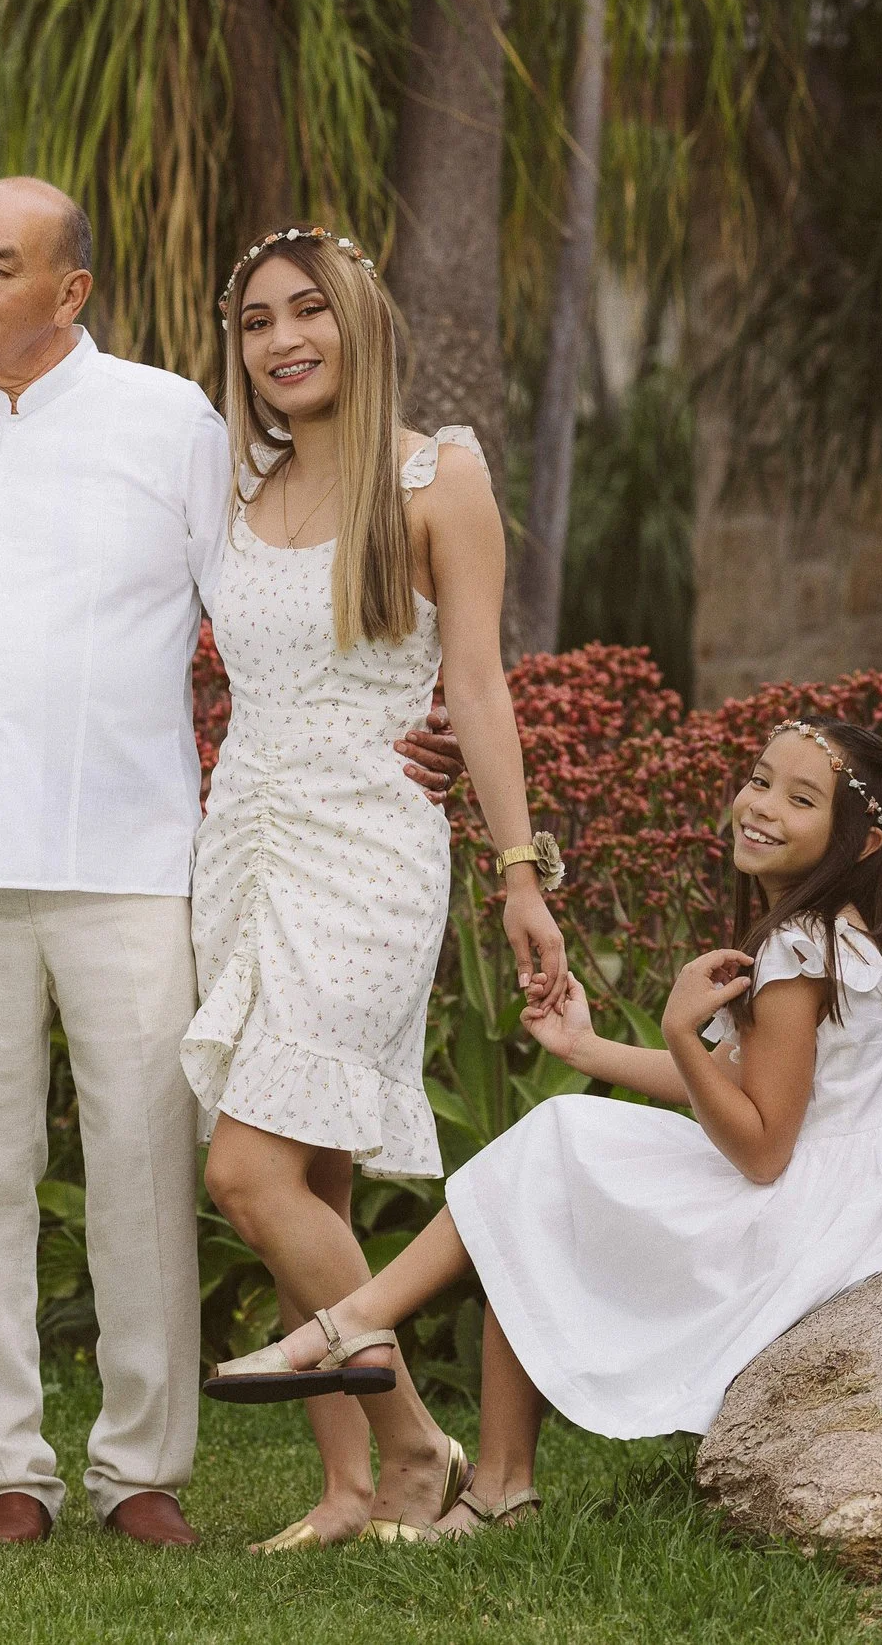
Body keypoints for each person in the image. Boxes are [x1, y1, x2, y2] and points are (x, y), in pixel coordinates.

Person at [0, 180, 464, 1549]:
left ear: (70, 290)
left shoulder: (174, 423)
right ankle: (0, 1471)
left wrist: (413, 707)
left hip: (142, 850)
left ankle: (140, 1466)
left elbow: (287, 583)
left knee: (150, 1161)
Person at [207, 719, 882, 1538]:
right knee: (550, 1162)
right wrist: (588, 1047)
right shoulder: (842, 934)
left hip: (811, 1212)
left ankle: (356, 1329)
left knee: (551, 1160)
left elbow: (761, 1147)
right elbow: (746, 1087)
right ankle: (478, 1462)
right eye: (760, 780)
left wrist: (683, 1033)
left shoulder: (798, 950)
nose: (761, 807)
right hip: (854, 1184)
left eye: (801, 799)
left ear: (862, 842)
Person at [187, 224, 568, 1552]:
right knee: (314, 1172)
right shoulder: (235, 483)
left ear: (360, 321)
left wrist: (521, 872)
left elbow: (475, 681)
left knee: (246, 1166)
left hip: (370, 842)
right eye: (256, 322)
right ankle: (349, 1481)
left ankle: (415, 1450)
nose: (284, 340)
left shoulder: (435, 473)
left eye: (310, 311)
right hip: (243, 834)